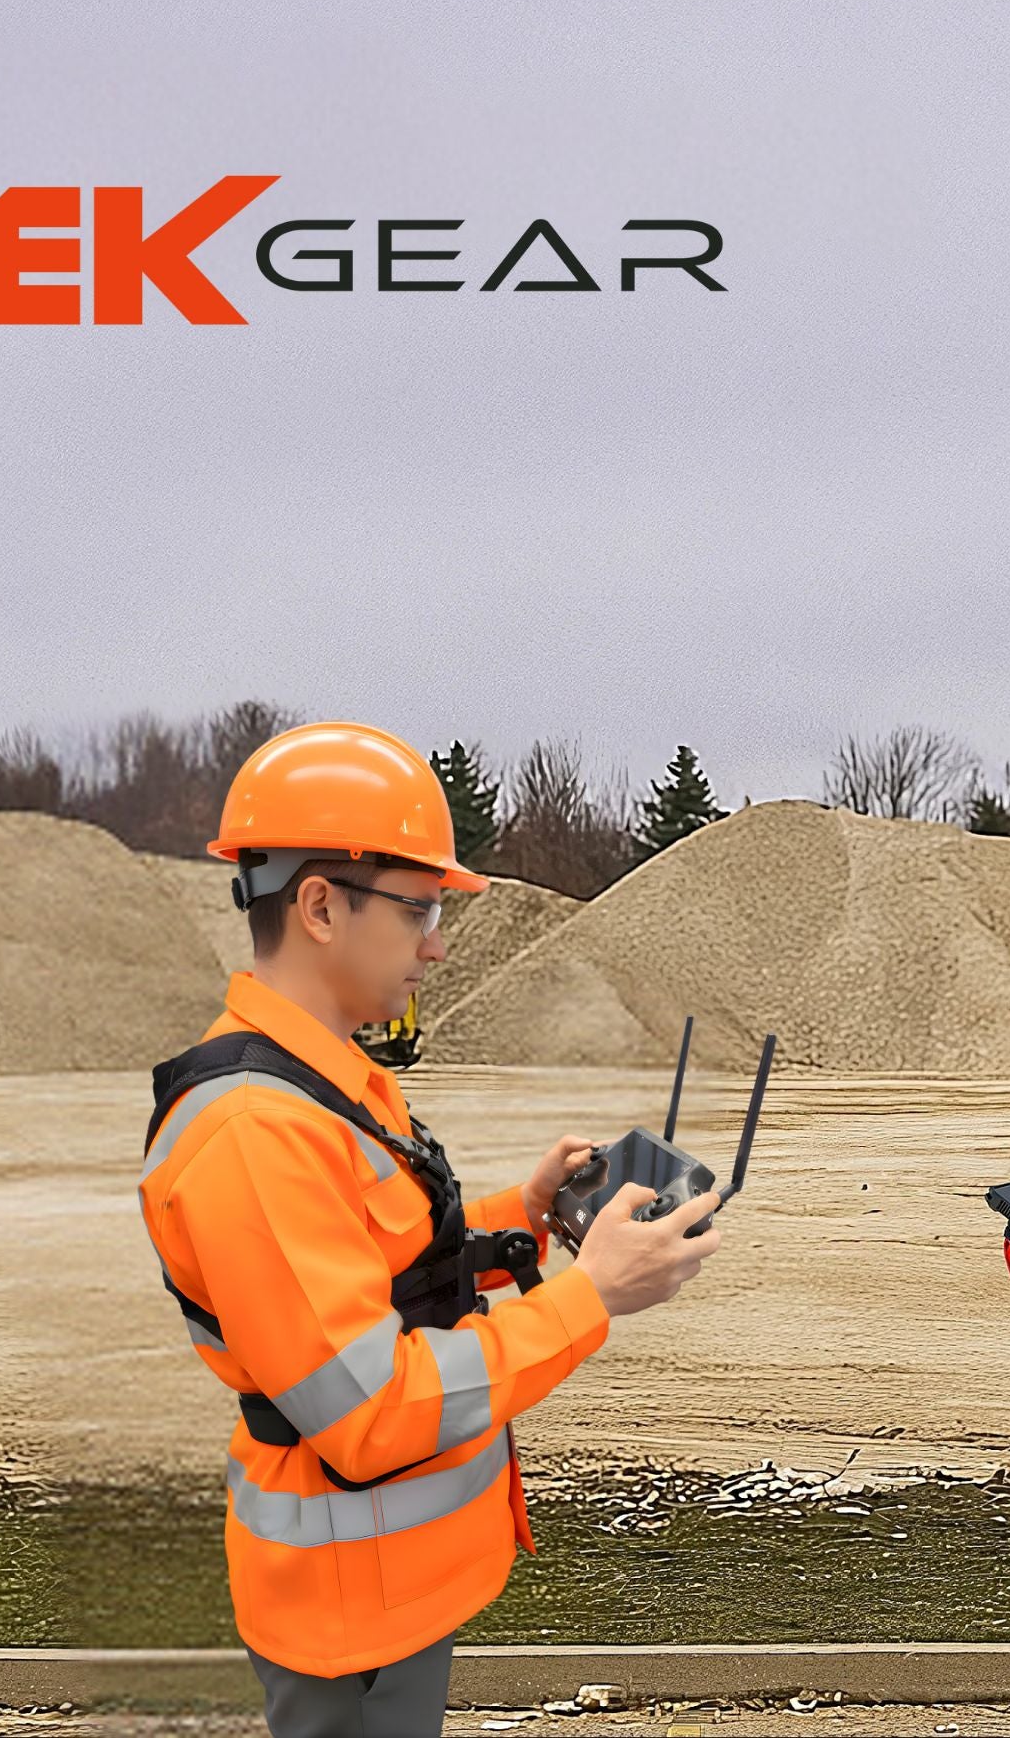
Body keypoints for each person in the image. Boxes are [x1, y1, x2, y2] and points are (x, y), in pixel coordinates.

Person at [138, 722, 720, 1736]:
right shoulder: (253, 1130)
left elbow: (376, 1262)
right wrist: (589, 1297)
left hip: (389, 1586)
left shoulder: (323, 1083)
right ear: (321, 906)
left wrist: (519, 1220)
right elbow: (369, 1411)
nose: (438, 944)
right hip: (344, 1611)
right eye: (419, 909)